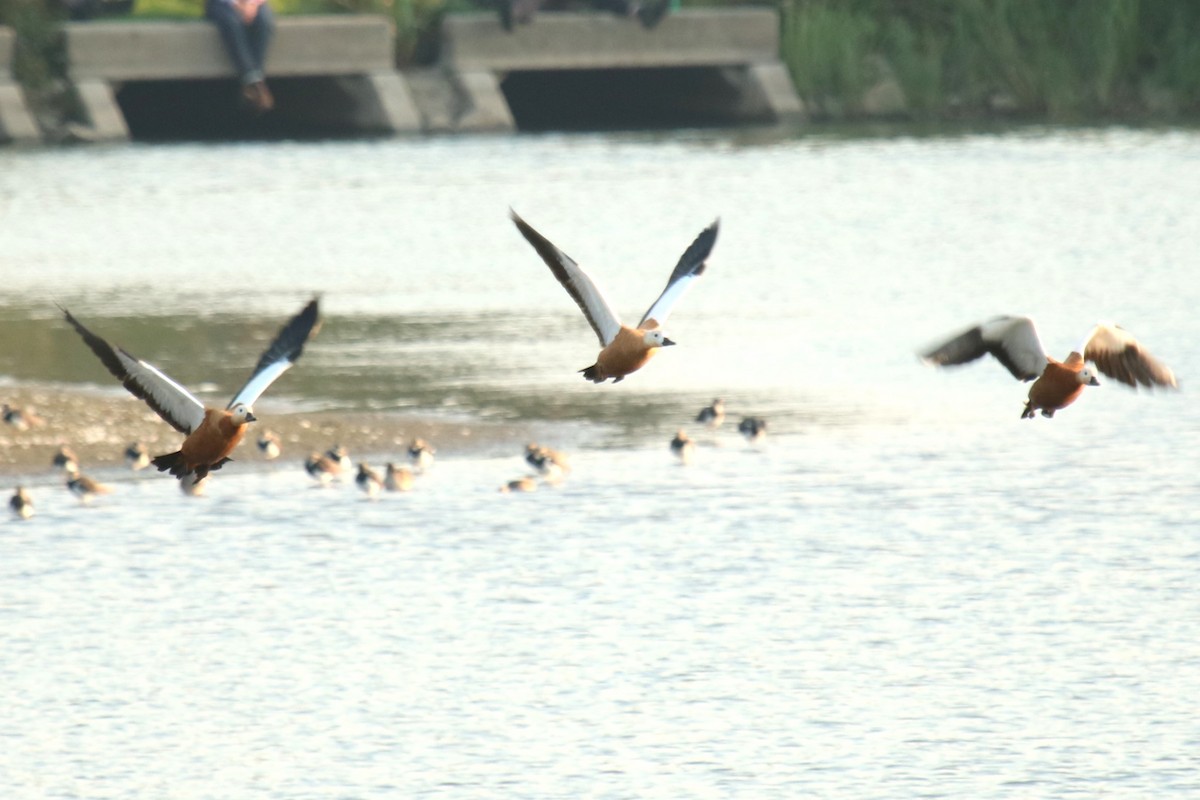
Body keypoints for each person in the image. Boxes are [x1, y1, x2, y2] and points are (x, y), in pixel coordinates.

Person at [205, 0, 275, 113]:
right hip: (222, 4)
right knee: (232, 23)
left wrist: (251, 4)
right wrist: (237, 4)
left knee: (264, 21)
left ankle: (253, 81)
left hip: (254, 3)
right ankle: (253, 80)